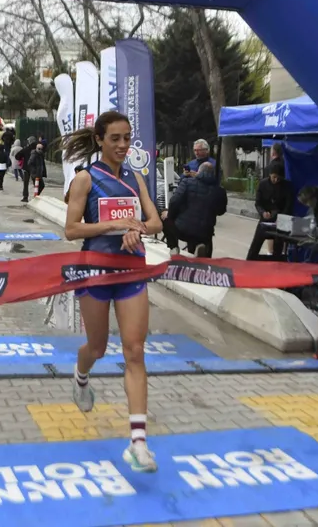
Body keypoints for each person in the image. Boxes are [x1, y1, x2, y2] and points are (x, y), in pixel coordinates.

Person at [62, 111, 162, 473]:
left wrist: (138, 229)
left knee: (135, 351)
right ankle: (81, 374)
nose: (123, 145)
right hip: (95, 273)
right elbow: (71, 230)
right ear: (101, 140)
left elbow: (155, 221)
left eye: (127, 138)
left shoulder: (136, 178)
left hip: (131, 271)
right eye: (115, 139)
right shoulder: (86, 179)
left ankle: (138, 443)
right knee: (98, 347)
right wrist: (115, 224)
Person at [162, 162, 227, 257]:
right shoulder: (220, 191)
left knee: (163, 215)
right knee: (202, 238)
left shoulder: (187, 182)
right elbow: (221, 211)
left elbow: (174, 201)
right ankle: (200, 250)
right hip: (205, 233)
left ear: (198, 172)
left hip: (182, 230)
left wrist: (170, 215)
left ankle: (173, 247)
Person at [247, 165, 293, 260]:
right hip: (266, 218)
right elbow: (258, 203)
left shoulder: (286, 186)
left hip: (280, 219)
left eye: (278, 178)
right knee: (256, 243)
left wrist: (282, 218)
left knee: (278, 244)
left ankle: (277, 263)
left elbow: (288, 205)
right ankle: (250, 260)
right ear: (270, 175)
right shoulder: (263, 184)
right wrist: (263, 212)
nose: (276, 180)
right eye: (274, 177)